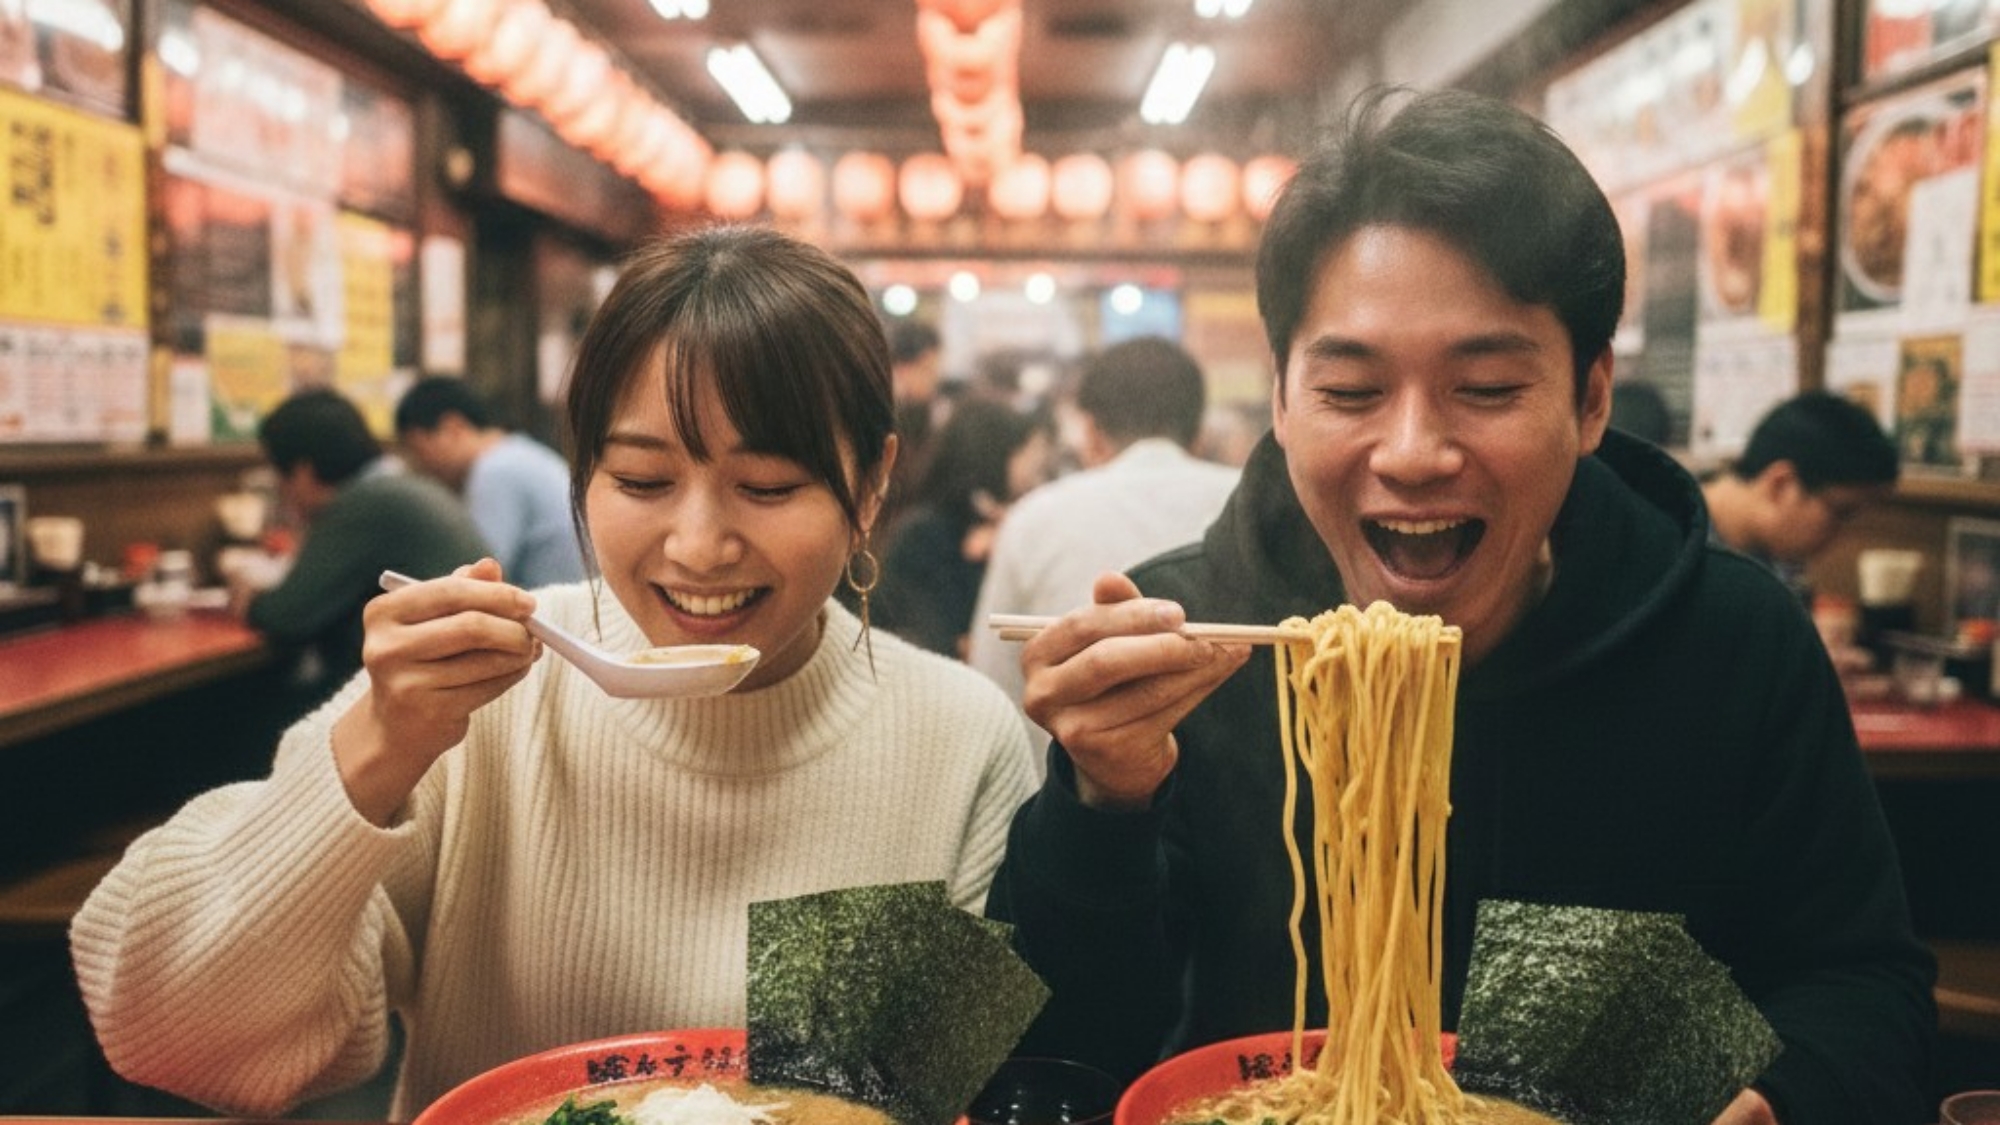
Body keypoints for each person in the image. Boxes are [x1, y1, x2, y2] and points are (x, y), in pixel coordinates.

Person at [985, 88, 1934, 1125]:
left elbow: (1861, 987)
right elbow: (1051, 1056)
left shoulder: (1729, 639)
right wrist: (1100, 807)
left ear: (1590, 399)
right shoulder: (1190, 639)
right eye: (1350, 393)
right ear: (1281, 397)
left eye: (1484, 389)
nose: (1411, 453)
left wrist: (1779, 1097)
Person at [72, 226, 1038, 1117]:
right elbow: (162, 1030)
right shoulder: (477, 699)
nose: (698, 545)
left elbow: (911, 1092)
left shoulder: (955, 738)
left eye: (768, 486)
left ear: (870, 482)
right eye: (642, 480)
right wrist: (374, 753)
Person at [967, 336, 1241, 744]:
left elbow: (992, 689)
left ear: (1091, 433)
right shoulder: (1251, 503)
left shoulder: (1033, 517)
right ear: (1200, 434)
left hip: (1065, 774)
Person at [234, 387, 492, 694]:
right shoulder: (398, 484)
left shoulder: (365, 503)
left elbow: (286, 616)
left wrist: (247, 599)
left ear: (302, 472)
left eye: (280, 478)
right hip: (470, 671)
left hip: (447, 684)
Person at [873, 397, 1052, 658]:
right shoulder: (927, 536)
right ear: (996, 455)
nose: (1031, 472)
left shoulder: (990, 526)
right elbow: (935, 638)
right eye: (1021, 453)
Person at [394, 376, 587, 589]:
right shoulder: (517, 452)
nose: (417, 466)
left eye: (417, 450)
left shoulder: (496, 471)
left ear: (453, 429)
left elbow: (479, 572)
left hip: (552, 601)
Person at [1701, 389, 1898, 596]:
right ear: (1780, 485)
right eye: (1841, 513)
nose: (1841, 536)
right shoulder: (1682, 550)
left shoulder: (1771, 556)